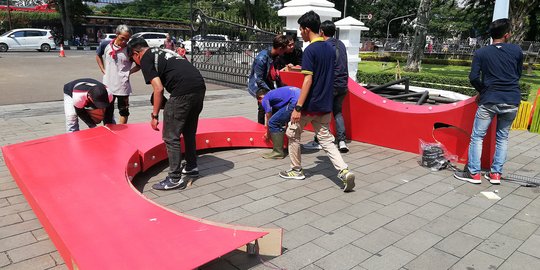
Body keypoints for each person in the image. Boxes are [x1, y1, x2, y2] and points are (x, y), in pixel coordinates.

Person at [279, 11, 355, 192]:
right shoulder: (330, 48)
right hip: (325, 104)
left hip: (309, 104)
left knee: (292, 133)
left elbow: (308, 80)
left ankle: (296, 169)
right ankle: (344, 171)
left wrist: (298, 107)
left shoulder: (310, 50)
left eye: (300, 29)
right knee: (327, 140)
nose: (300, 33)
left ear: (306, 29)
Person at [127, 37, 206, 191]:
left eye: (132, 58)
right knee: (189, 131)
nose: (134, 62)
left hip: (182, 92)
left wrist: (154, 116)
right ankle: (191, 166)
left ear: (136, 53)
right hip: (199, 87)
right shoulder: (162, 51)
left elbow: (158, 89)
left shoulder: (145, 59)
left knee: (171, 136)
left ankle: (174, 178)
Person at [454, 18, 523, 185]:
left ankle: (474, 174)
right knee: (503, 138)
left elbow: (473, 78)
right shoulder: (516, 51)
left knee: (477, 136)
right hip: (511, 99)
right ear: (507, 35)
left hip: (490, 100)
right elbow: (518, 74)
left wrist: (483, 91)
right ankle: (496, 174)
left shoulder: (481, 53)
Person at [303, 20, 350, 153]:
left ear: (322, 32)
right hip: (343, 84)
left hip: (331, 84)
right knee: (338, 112)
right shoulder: (340, 44)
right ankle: (341, 141)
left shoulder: (325, 46)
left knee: (322, 114)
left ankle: (319, 141)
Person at [96, 24, 139, 124]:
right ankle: (109, 130)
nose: (124, 42)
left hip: (123, 85)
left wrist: (129, 73)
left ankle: (122, 131)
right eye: (122, 38)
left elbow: (139, 64)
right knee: (107, 111)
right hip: (108, 84)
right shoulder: (105, 45)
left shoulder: (129, 49)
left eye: (127, 39)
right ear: (117, 34)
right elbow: (98, 55)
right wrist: (102, 69)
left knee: (123, 111)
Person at [247, 35, 289, 124]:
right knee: (263, 106)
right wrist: (271, 92)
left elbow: (276, 73)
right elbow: (259, 79)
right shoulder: (261, 58)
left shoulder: (276, 55)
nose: (285, 52)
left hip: (268, 81)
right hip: (259, 84)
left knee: (275, 103)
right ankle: (261, 128)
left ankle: (273, 126)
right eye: (284, 49)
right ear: (280, 48)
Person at [256, 86, 301, 159]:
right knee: (280, 119)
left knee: (273, 122)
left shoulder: (264, 98)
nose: (261, 104)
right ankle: (287, 145)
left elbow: (268, 117)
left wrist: (268, 134)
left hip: (295, 100)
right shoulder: (274, 94)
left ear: (260, 98)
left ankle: (278, 152)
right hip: (301, 97)